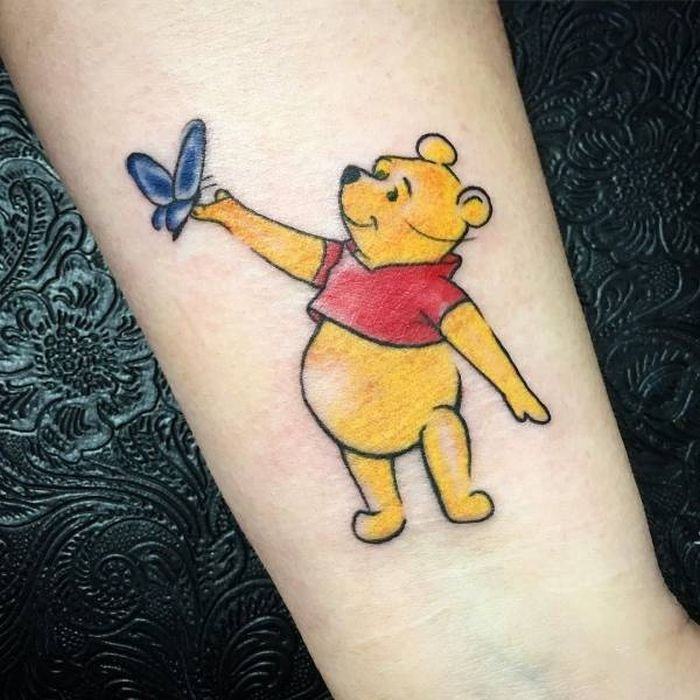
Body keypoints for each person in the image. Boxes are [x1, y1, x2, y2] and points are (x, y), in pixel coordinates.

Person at [0, 2, 696, 696]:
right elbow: (290, 247)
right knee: (369, 464)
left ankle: (455, 493)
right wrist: (233, 215)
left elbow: (475, 339)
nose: (360, 187)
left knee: (443, 429)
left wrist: (513, 392)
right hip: (356, 435)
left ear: (459, 219)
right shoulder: (347, 263)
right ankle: (389, 512)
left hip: (424, 415)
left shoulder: (429, 288)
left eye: (393, 192)